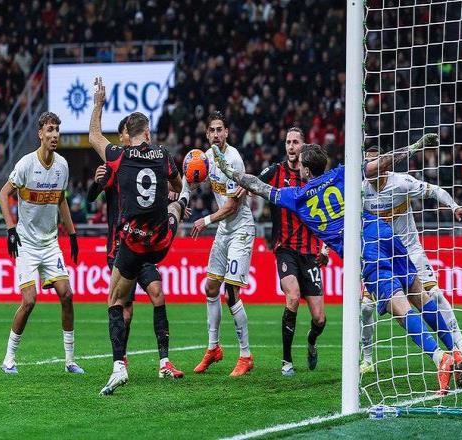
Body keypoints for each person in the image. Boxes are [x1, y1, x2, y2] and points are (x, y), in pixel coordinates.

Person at [211, 136, 462, 395]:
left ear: (306, 170)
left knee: (401, 309)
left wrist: (229, 171)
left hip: (364, 249)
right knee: (420, 294)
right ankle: (456, 352)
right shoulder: (342, 173)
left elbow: (257, 185)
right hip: (384, 232)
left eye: (302, 166)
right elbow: (381, 163)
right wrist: (414, 147)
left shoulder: (297, 196)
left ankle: (439, 358)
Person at [89, 77, 191, 395]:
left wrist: (99, 103)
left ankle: (119, 366)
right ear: (147, 133)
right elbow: (176, 184)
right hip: (160, 241)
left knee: (114, 300)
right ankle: (182, 207)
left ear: (128, 135)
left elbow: (93, 136)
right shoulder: (162, 155)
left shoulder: (118, 156)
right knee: (176, 206)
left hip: (132, 241)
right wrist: (176, 194)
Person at [359, 146, 462, 374]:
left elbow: (434, 190)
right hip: (380, 254)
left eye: (374, 163)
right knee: (365, 307)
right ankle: (367, 359)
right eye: (367, 163)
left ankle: (461, 348)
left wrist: (454, 206)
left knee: (435, 295)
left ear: (384, 165)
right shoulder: (362, 191)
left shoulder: (401, 182)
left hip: (410, 250)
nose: (369, 168)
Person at [0, 111, 83, 375]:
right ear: (40, 134)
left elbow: (61, 199)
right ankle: (9, 358)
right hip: (26, 243)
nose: (54, 134)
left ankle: (70, 360)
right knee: (29, 300)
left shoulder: (62, 166)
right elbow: (3, 194)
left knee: (67, 294)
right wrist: (11, 230)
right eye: (49, 130)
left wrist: (72, 234)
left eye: (57, 129)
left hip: (50, 243)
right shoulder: (26, 164)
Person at [244, 127, 329, 376]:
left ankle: (311, 342)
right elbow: (254, 184)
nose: (291, 146)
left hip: (310, 252)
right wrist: (241, 186)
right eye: (288, 142)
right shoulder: (275, 171)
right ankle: (287, 361)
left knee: (320, 319)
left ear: (303, 146)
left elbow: (328, 216)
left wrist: (325, 249)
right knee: (292, 297)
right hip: (285, 249)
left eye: (295, 142)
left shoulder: (316, 177)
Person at [190, 111, 255, 376]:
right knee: (210, 287)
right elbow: (190, 180)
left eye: (220, 130)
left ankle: (245, 355)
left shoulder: (234, 159)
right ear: (207, 134)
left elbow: (232, 206)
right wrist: (181, 197)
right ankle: (213, 348)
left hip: (241, 229)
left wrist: (205, 220)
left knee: (231, 292)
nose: (216, 134)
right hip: (224, 230)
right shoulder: (206, 158)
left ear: (226, 132)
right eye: (212, 130)